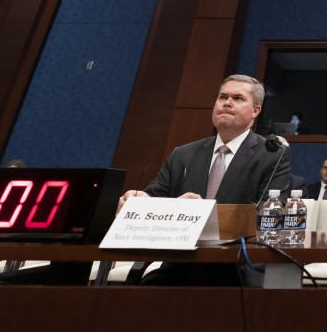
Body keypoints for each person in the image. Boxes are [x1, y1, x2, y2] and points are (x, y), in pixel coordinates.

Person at [117, 74, 292, 285]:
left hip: (236, 263)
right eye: (222, 97)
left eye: (237, 98)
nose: (227, 102)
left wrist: (202, 214)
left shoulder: (272, 154)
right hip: (182, 263)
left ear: (256, 111)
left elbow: (270, 215)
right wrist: (139, 200)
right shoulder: (183, 154)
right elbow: (155, 196)